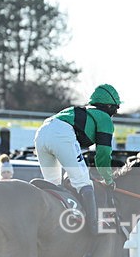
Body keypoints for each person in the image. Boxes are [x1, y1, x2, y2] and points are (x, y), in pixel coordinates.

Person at [34, 84, 120, 235]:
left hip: (41, 133)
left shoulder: (79, 111)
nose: (116, 112)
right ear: (108, 106)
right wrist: (108, 178)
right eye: (116, 108)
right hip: (61, 134)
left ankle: (52, 224)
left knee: (52, 185)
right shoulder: (104, 118)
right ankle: (93, 228)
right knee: (83, 181)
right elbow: (103, 154)